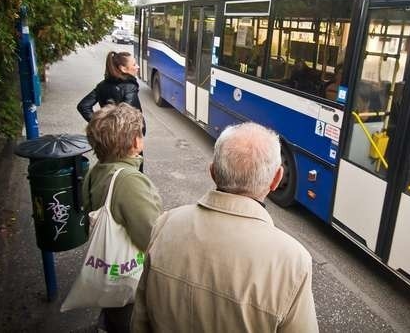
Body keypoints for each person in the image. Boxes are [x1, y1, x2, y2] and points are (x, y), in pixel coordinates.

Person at [131, 122, 319, 333]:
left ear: (212, 171)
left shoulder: (166, 224)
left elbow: (140, 319)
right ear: (276, 180)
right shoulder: (293, 261)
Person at [83, 103, 163, 333]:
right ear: (134, 142)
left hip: (109, 272)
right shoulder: (129, 180)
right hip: (129, 286)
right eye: (140, 132)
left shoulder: (97, 171)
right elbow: (150, 236)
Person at [77, 51, 143, 126]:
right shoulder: (129, 87)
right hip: (126, 136)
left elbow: (83, 106)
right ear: (123, 69)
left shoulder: (102, 85)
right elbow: (131, 117)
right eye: (134, 65)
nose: (138, 67)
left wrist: (100, 125)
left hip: (107, 135)